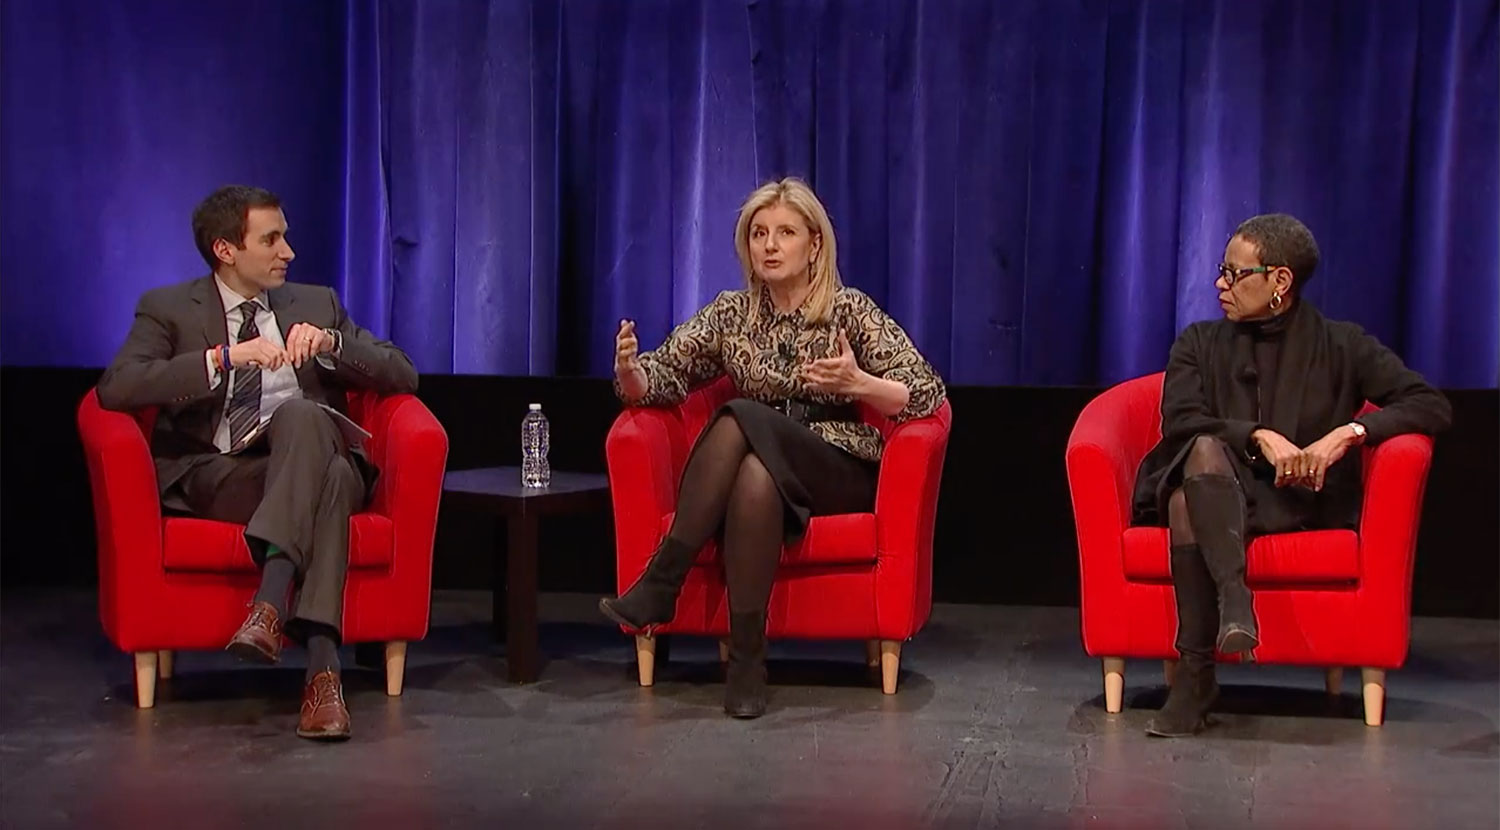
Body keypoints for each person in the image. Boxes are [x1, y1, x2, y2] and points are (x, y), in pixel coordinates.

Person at [598, 177, 946, 718]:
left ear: (814, 246)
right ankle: (746, 664)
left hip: (835, 464)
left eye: (784, 233)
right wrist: (632, 374)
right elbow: (664, 375)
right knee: (754, 475)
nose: (770, 245)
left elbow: (927, 391)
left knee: (738, 416)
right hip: (764, 463)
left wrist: (860, 385)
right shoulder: (732, 315)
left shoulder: (848, 310)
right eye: (759, 233)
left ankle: (664, 578)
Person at [97, 185, 418, 740]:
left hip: (303, 459)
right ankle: (321, 673)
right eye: (271, 239)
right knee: (333, 476)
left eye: (285, 237)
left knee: (306, 424)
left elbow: (404, 374)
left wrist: (332, 344)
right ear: (226, 250)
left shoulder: (316, 304)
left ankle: (272, 610)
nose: (287, 251)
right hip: (221, 474)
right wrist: (220, 359)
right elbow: (116, 387)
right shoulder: (169, 308)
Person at [1131, 213, 1451, 737]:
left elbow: (1429, 404)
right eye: (1221, 271)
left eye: (1235, 274)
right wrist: (1258, 435)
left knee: (1188, 501)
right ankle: (1230, 607)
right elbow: (1180, 420)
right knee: (1199, 461)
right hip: (1217, 491)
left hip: (1294, 504)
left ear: (1280, 280)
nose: (1220, 284)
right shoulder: (1198, 342)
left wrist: (1351, 433)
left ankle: (1196, 676)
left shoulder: (1342, 345)